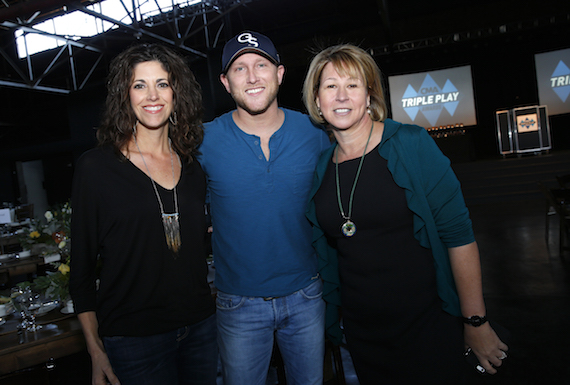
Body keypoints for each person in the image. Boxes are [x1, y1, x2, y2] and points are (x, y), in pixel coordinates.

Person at [302, 44, 509, 384]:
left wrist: (475, 322)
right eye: (330, 86)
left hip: (427, 325)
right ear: (318, 101)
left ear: (368, 97)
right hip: (364, 334)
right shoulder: (323, 167)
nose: (341, 96)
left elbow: (458, 238)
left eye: (352, 85)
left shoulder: (411, 144)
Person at [69, 43, 217, 385]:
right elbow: (80, 272)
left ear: (176, 92)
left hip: (201, 328)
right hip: (135, 341)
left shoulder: (194, 168)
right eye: (140, 85)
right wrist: (95, 349)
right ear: (126, 95)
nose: (153, 95)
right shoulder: (96, 168)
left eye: (162, 83)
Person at [197, 31, 331, 385]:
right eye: (239, 69)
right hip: (237, 303)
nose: (252, 76)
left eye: (261, 65)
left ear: (280, 74)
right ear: (226, 82)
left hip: (306, 294)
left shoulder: (315, 133)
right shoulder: (203, 142)